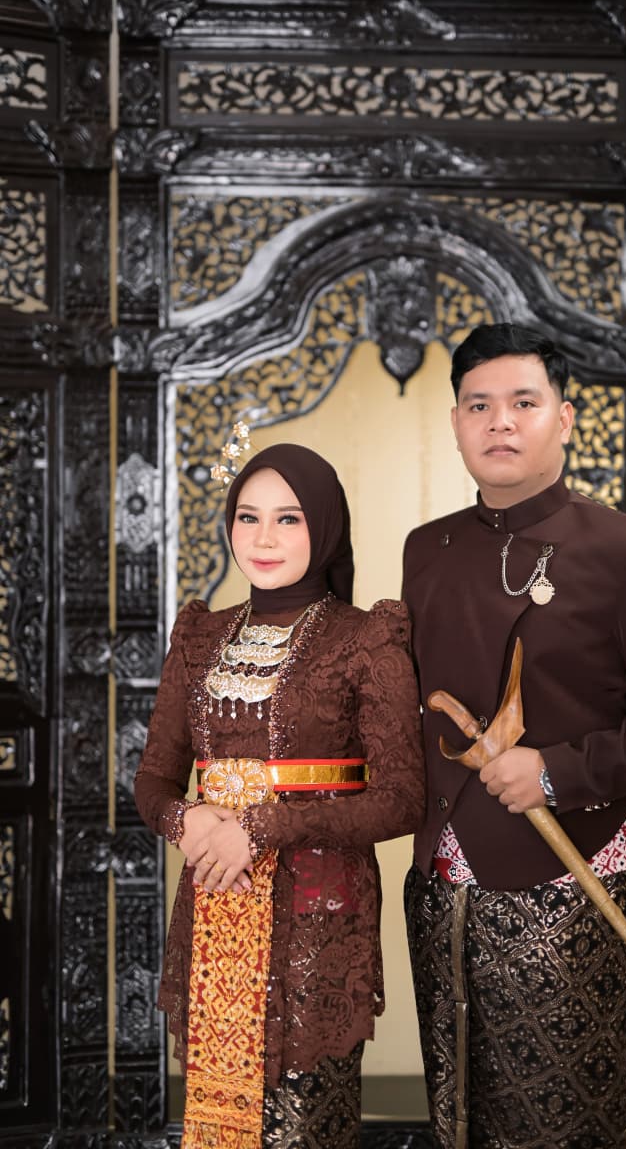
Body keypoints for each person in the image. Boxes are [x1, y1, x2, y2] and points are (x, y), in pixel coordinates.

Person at [401, 322, 626, 1149]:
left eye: (523, 402)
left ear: (564, 418)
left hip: (572, 870)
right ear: (456, 423)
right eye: (478, 405)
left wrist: (554, 770)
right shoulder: (428, 549)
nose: (500, 422)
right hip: (442, 878)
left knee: (560, 1116)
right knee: (458, 1112)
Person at [134, 442, 425, 1149]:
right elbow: (153, 781)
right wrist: (183, 820)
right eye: (248, 517)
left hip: (318, 920)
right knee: (223, 1120)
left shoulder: (365, 638)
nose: (263, 538)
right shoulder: (200, 636)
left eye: (288, 519)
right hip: (216, 903)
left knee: (303, 1121)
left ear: (323, 526)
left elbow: (401, 799)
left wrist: (260, 828)